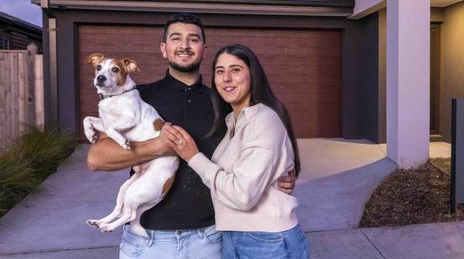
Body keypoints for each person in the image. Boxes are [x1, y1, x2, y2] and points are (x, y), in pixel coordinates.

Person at [86, 14, 295, 259]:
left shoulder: (225, 101)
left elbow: (261, 149)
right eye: (176, 38)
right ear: (164, 49)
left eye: (193, 39)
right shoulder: (135, 97)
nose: (185, 45)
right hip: (147, 243)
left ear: (204, 49)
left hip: (210, 239)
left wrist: (282, 174)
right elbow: (96, 158)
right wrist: (160, 145)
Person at [163, 44, 309, 259]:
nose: (226, 78)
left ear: (253, 75)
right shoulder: (233, 122)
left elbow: (242, 196)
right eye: (220, 71)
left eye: (236, 69)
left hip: (266, 240)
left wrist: (193, 156)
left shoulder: (263, 120)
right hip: (235, 236)